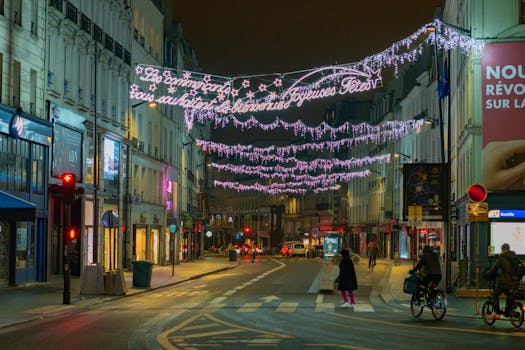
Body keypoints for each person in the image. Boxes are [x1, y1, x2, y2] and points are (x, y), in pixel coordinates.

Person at [485, 243, 521, 318]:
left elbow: (493, 269)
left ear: (502, 250)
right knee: (510, 295)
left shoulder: (502, 258)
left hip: (505, 284)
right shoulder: (516, 258)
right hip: (516, 283)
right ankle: (509, 311)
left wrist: (487, 275)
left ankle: (497, 313)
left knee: (495, 295)